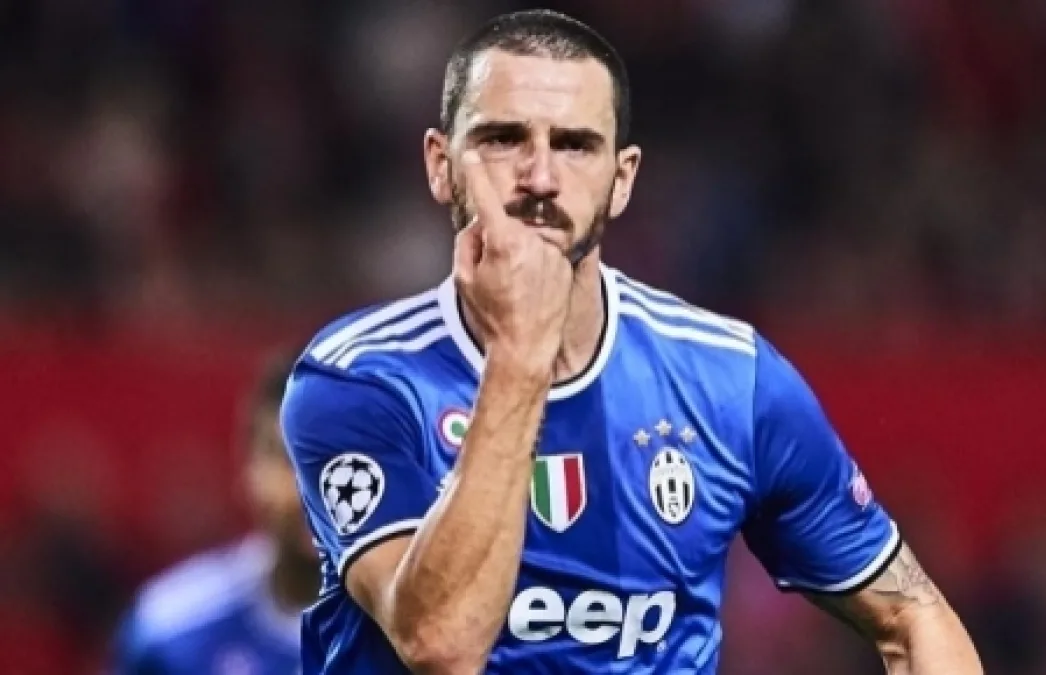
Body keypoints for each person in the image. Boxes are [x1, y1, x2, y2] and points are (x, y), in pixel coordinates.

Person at [280, 9, 983, 674]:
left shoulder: (730, 381)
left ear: (622, 179)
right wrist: (521, 352)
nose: (540, 177)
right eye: (503, 139)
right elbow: (440, 643)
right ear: (441, 164)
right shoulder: (359, 381)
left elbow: (913, 615)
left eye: (575, 144)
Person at [114, 352, 319, 675]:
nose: (313, 489)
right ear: (248, 470)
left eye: (336, 460)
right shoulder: (171, 629)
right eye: (289, 459)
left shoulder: (405, 633)